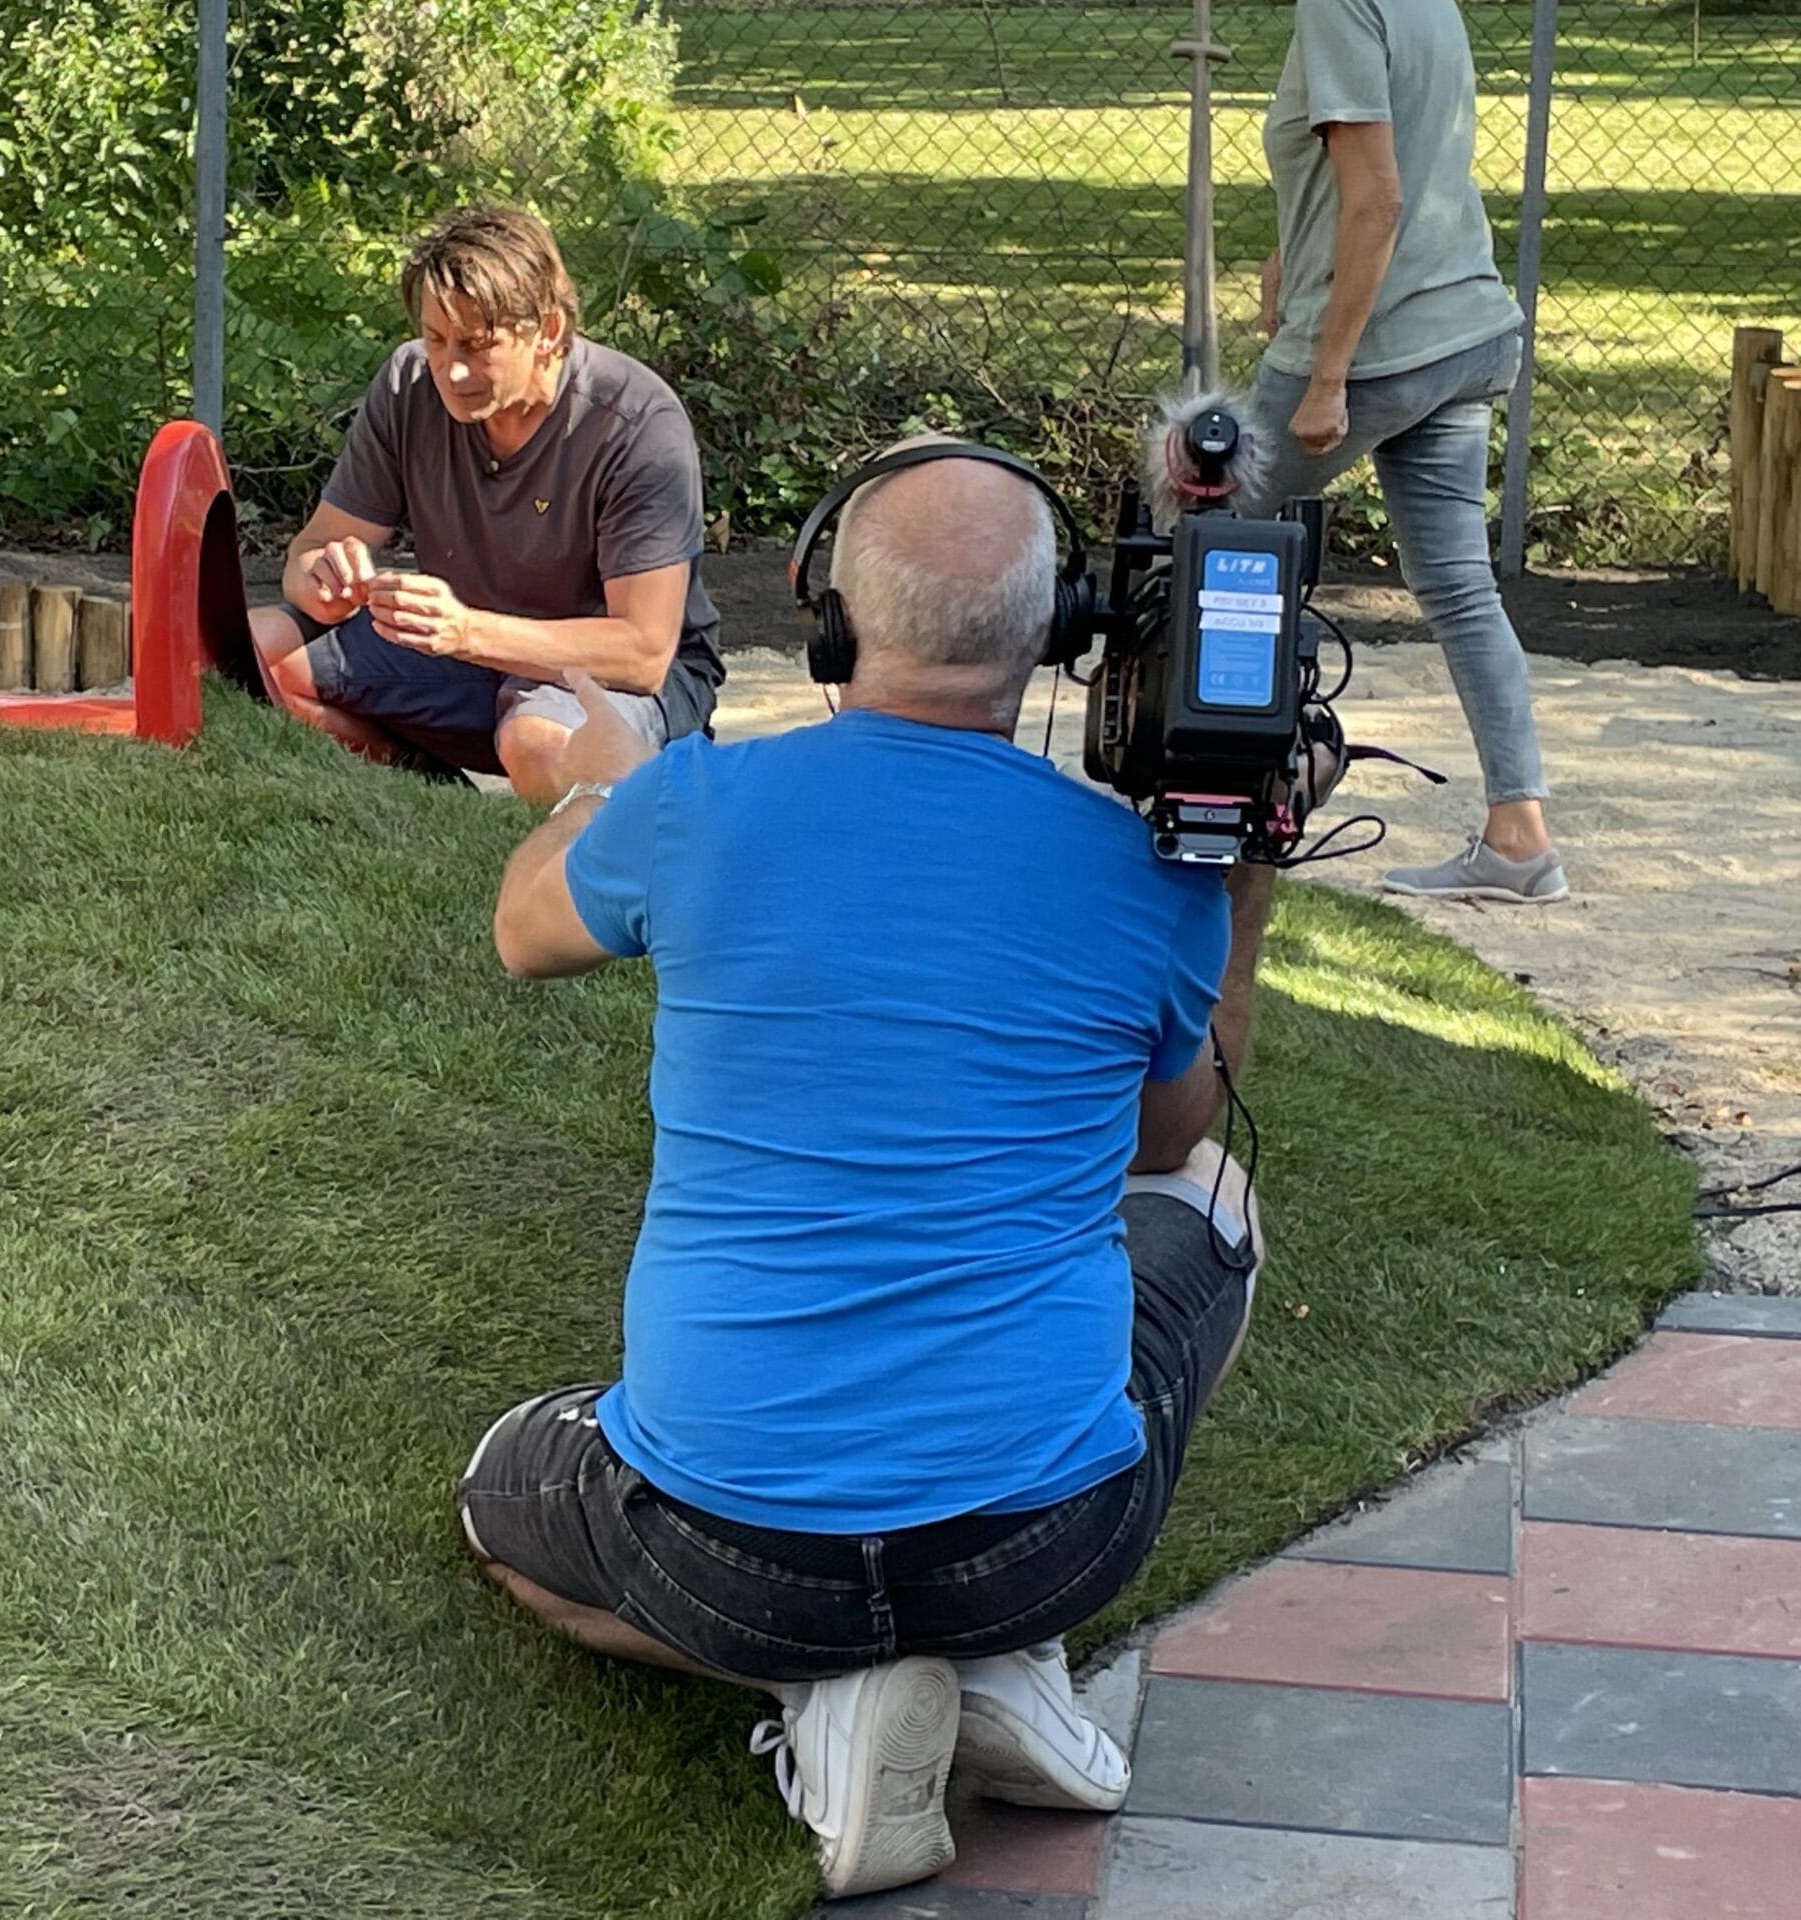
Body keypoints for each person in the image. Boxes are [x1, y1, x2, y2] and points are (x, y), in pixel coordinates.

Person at [463, 448, 1298, 1898]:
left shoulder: (696, 805)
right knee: (1215, 1207)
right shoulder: (1139, 867)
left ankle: (826, 1689)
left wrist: (602, 789)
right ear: (1060, 633)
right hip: (1047, 1546)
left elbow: (526, 932)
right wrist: (1247, 879)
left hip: (724, 1552)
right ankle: (984, 1665)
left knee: (504, 1501)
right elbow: (1169, 1145)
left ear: (828, 616)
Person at [247, 205, 725, 805]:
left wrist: (467, 630)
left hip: (605, 675)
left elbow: (644, 654)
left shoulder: (634, 422)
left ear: (548, 331)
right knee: (256, 650)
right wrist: (323, 577)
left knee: (535, 741)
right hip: (465, 652)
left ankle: (631, 831)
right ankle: (431, 796)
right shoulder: (407, 385)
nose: (451, 369)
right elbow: (308, 554)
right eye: (435, 339)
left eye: (478, 344)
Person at [1249, 0, 1565, 902]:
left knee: (1192, 522)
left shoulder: (1337, 5)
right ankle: (1519, 838)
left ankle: (1197, 783)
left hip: (1378, 346)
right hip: (1464, 328)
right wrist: (1289, 251)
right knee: (1461, 586)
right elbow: (1398, 162)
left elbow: (1381, 198)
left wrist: (1327, 374)